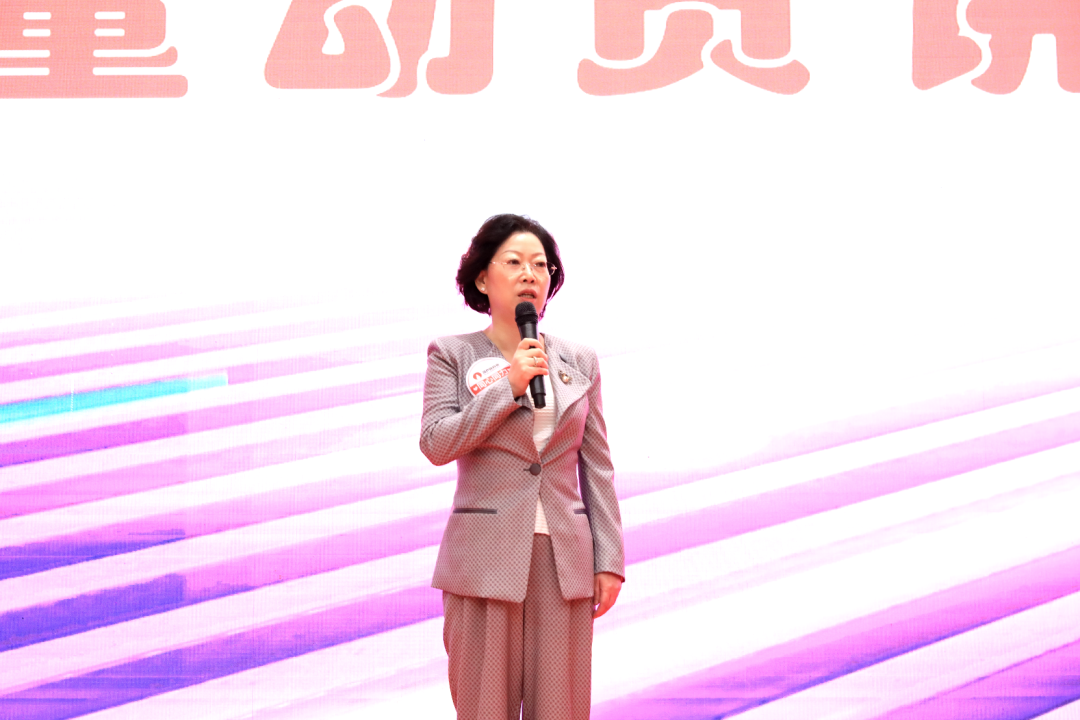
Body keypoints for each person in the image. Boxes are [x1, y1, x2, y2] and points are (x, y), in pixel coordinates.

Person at [420, 214, 625, 720]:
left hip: (564, 559)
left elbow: (596, 467)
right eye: (514, 262)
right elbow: (436, 442)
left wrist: (610, 559)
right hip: (483, 560)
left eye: (540, 265)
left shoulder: (580, 361)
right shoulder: (452, 354)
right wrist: (508, 387)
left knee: (560, 709)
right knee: (484, 709)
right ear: (482, 279)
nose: (530, 273)